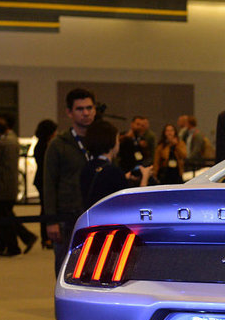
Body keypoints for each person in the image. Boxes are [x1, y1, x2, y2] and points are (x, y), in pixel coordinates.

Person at [44, 87, 96, 274]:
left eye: (89, 108)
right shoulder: (58, 144)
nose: (86, 113)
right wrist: (51, 220)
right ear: (69, 112)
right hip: (67, 216)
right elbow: (49, 183)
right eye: (80, 109)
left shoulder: (101, 141)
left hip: (95, 214)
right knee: (65, 269)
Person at [0, 117, 37, 256]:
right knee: (4, 216)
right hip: (9, 186)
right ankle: (21, 240)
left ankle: (15, 245)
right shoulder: (12, 140)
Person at [79, 119, 150, 208]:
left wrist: (124, 177)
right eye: (117, 139)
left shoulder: (87, 167)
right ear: (111, 142)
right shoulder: (113, 171)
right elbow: (133, 206)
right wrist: (145, 179)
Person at [33, 118, 58, 248]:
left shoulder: (42, 144)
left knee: (44, 207)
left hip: (41, 179)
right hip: (43, 180)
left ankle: (46, 238)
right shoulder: (44, 146)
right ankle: (45, 238)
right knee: (45, 208)